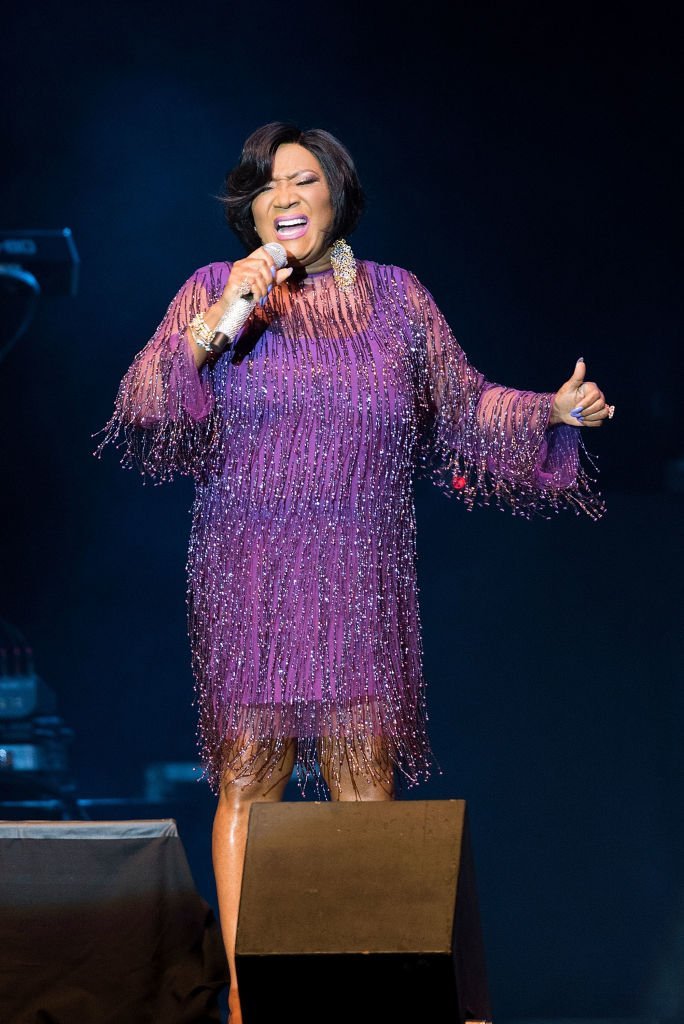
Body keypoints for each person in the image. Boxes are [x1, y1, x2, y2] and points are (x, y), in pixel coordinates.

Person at [96, 121, 612, 1021]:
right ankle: (247, 1003)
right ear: (248, 208)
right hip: (248, 568)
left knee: (363, 778)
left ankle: (371, 994)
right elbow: (143, 402)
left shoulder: (397, 299)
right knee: (248, 775)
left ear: (339, 194)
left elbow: (463, 404)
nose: (283, 198)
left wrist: (550, 410)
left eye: (301, 180)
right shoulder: (215, 288)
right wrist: (226, 317)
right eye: (265, 186)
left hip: (357, 570)